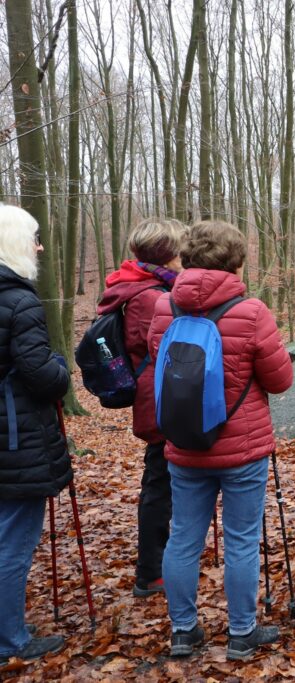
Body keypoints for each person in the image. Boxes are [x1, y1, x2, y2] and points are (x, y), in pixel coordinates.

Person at [147, 220, 293, 659]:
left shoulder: (163, 308)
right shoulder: (251, 312)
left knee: (183, 537)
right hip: (242, 447)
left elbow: (160, 364)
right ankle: (242, 634)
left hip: (184, 443)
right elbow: (280, 379)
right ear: (235, 259)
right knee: (242, 538)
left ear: (186, 256)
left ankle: (184, 631)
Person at [96, 218, 186, 598]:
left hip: (156, 397)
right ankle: (152, 572)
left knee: (162, 482)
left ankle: (160, 566)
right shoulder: (152, 297)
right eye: (181, 250)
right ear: (169, 254)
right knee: (162, 485)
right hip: (162, 400)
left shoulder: (137, 286)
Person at [0, 205, 71, 661]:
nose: (40, 246)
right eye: (34, 237)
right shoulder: (19, 300)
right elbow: (39, 373)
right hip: (14, 438)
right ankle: (10, 640)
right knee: (12, 541)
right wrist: (61, 369)